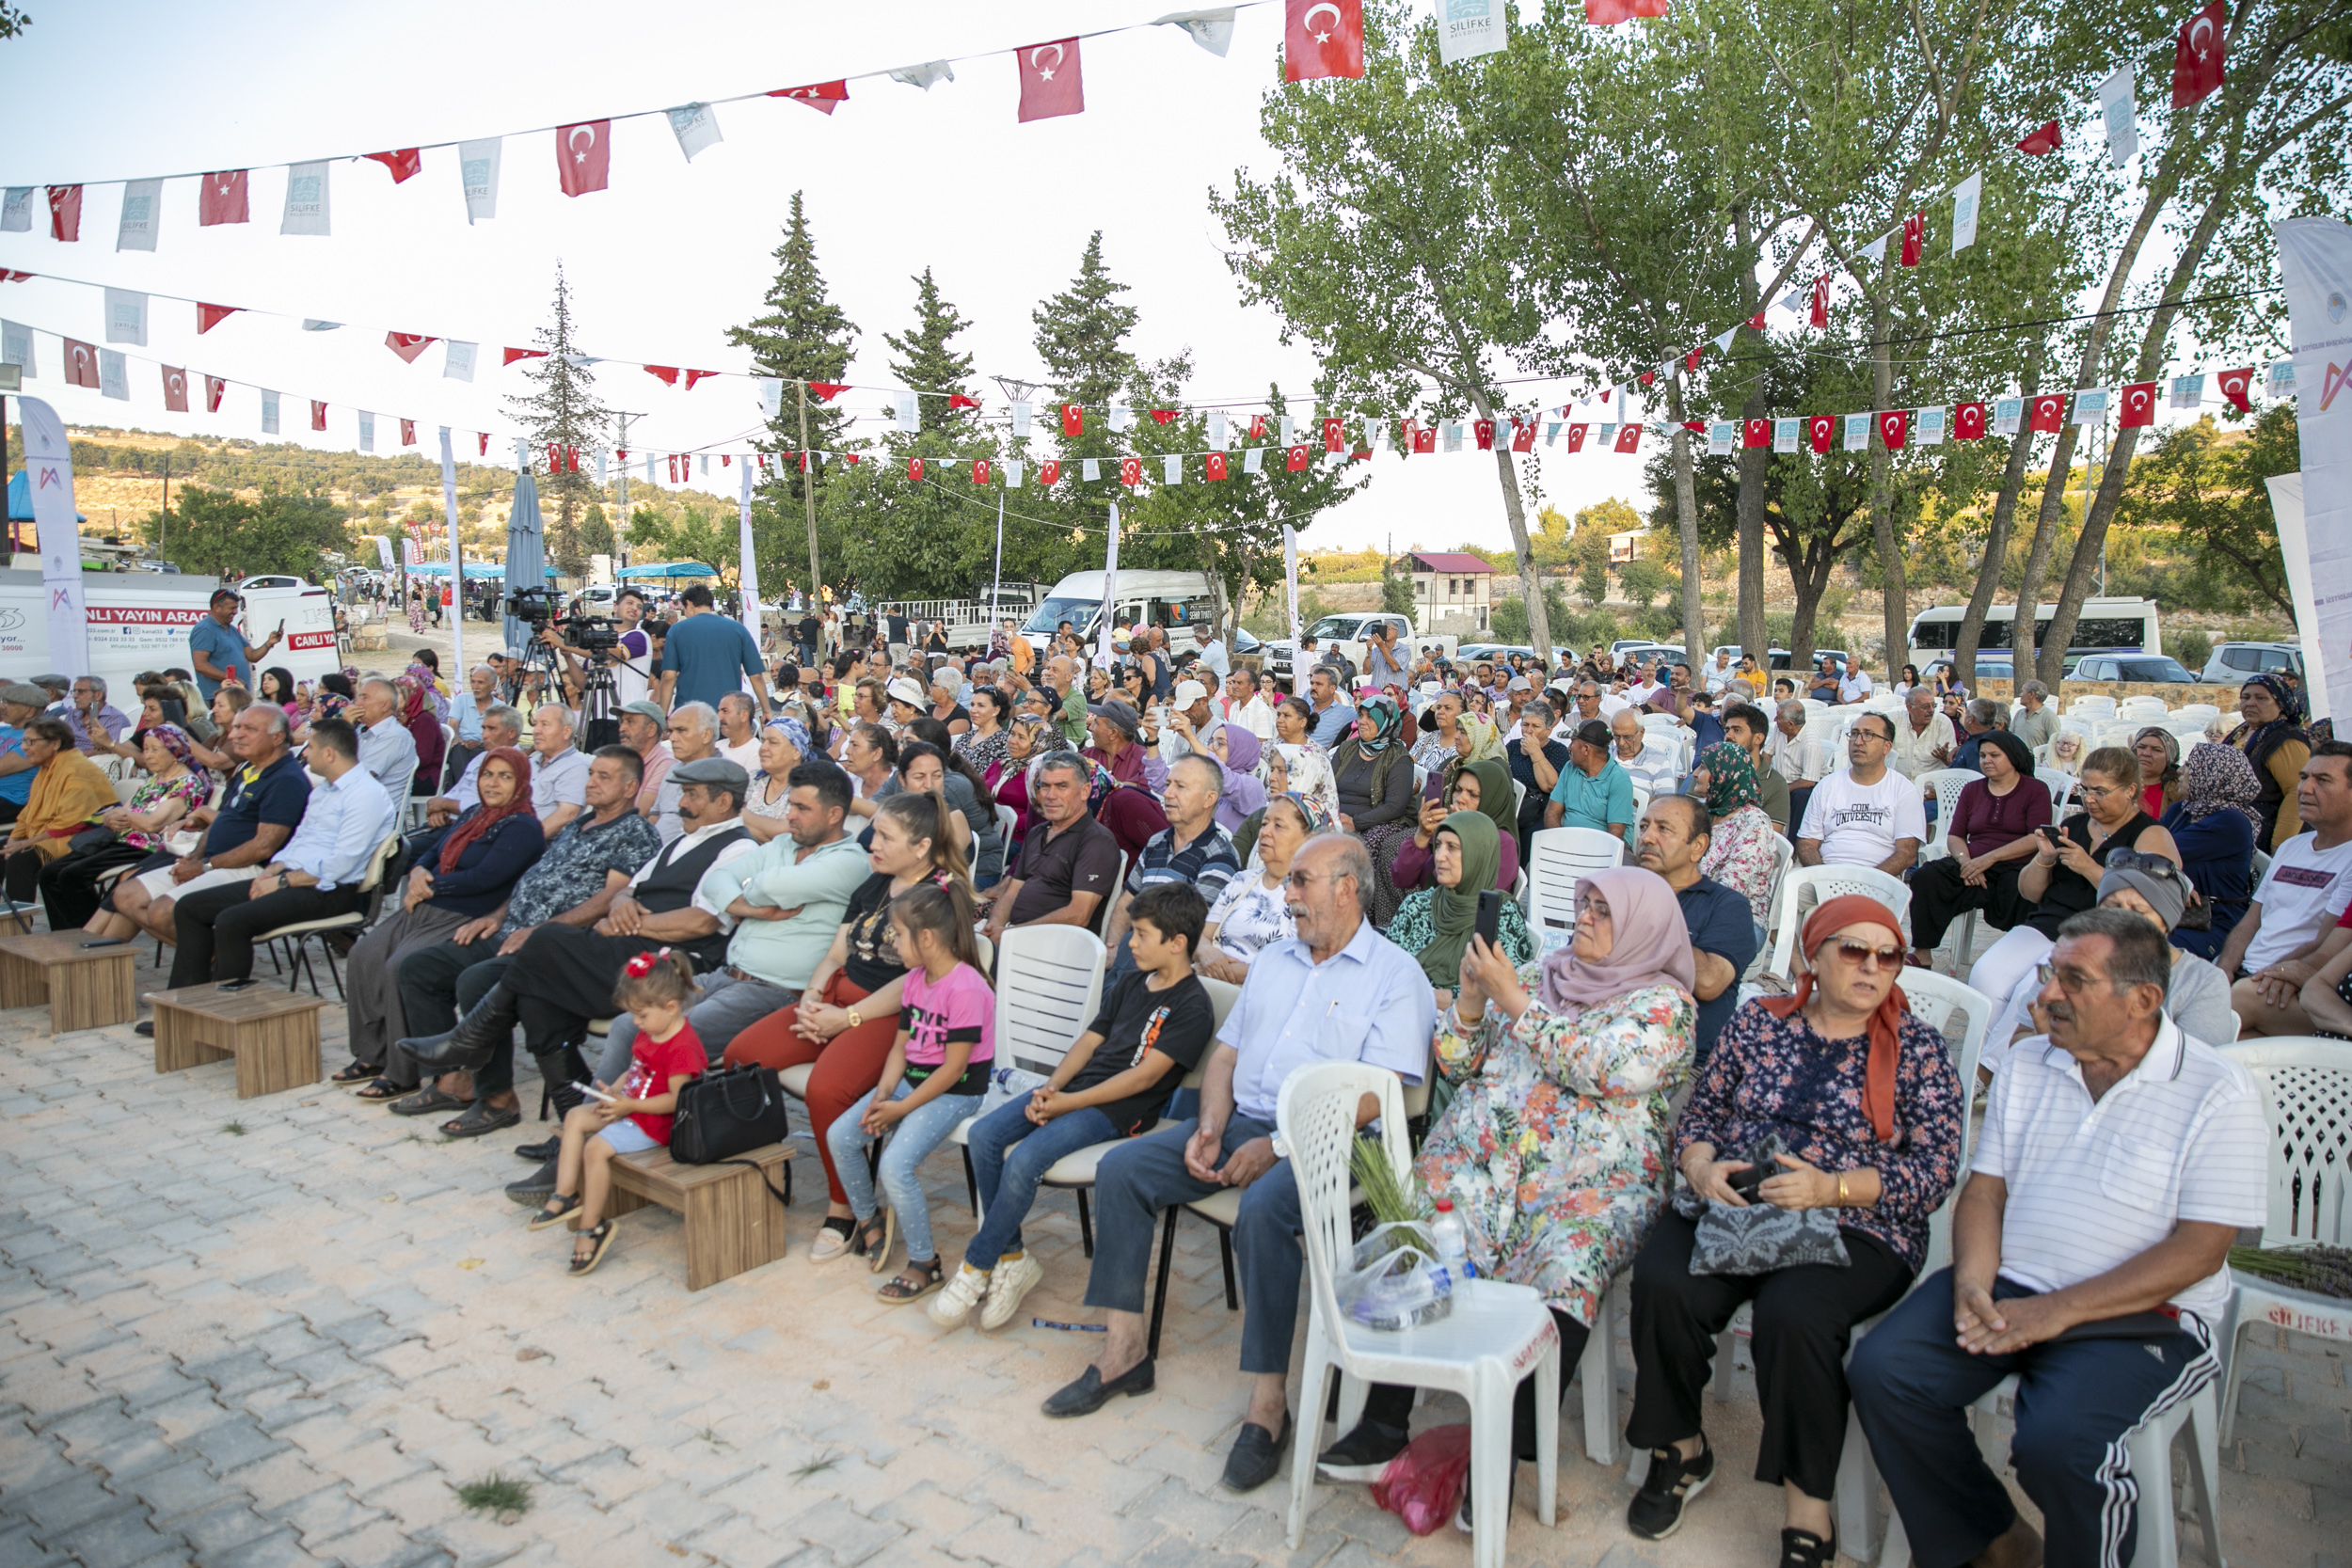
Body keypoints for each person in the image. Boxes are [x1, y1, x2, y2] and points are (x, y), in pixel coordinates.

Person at [1848, 909, 2265, 1568]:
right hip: (2014, 1284)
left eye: (2074, 980)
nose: (2045, 995)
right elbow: (1985, 1190)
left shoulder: (2217, 1089)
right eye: (2049, 974)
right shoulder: (2031, 1061)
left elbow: (2200, 1250)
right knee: (1886, 1370)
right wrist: (1973, 1283)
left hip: (2148, 1316)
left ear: (2143, 1000)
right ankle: (1998, 1541)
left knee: (2062, 1442)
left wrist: (2056, 1311)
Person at [1040, 834, 1436, 1498]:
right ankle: (1125, 1353)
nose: (1289, 894)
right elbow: (1224, 1055)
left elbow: (1383, 1091)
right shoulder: (1278, 960)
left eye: (1303, 881)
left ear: (1346, 887)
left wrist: (1280, 1144)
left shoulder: (1397, 975)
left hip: (1333, 1142)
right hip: (1243, 1121)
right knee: (1124, 1168)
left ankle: (1267, 1405)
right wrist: (1212, 1125)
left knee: (1263, 1210)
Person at [1317, 865, 1696, 1506]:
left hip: (1587, 1184)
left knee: (1566, 1268)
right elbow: (1458, 1062)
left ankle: (1504, 1453)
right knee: (1420, 1235)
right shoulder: (1545, 974)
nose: (1583, 916)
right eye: (1584, 903)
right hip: (1483, 1163)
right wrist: (1470, 1000)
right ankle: (1383, 1422)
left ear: (1641, 927)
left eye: (1603, 910)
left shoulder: (1664, 1007)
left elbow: (1600, 1066)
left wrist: (1513, 1000)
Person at [1627, 896, 1964, 1560]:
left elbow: (1932, 1173)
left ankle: (1809, 1510)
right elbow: (1703, 1112)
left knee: (1796, 1313)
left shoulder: (1917, 1048)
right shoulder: (1759, 1022)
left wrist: (1829, 1188)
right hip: (1742, 1200)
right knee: (1664, 1277)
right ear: (1814, 954)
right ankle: (1683, 1449)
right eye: (1854, 950)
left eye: (1887, 953)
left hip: (1859, 1222)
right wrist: (1700, 1168)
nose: (1873, 966)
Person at [396, 758, 759, 1117]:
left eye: (691, 795)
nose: (681, 803)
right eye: (683, 793)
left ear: (723, 801)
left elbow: (703, 922)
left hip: (671, 967)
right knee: (536, 999)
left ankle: (467, 1042)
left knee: (549, 938)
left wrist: (628, 924)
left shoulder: (739, 849)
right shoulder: (681, 841)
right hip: (628, 949)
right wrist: (621, 905)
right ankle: (573, 1117)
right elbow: (626, 890)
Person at [934, 882, 1217, 1331]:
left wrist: (1067, 1103)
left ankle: (975, 1267)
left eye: (1142, 934)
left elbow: (1143, 1079)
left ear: (1178, 943)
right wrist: (1052, 1089)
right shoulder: (1130, 981)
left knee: (1025, 1159)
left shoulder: (1192, 1006)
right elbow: (1090, 1040)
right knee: (984, 1136)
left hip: (1118, 1112)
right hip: (1076, 1091)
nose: (1131, 942)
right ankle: (1012, 1257)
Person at [719, 790, 969, 1255]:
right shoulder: (876, 882)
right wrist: (813, 1000)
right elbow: (838, 953)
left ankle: (846, 1206)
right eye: (875, 833)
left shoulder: (942, 894)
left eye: (884, 837)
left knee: (826, 1089)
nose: (871, 844)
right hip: (837, 997)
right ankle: (765, 1168)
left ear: (920, 847)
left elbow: (921, 980)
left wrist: (846, 1018)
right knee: (742, 1055)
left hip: (895, 1016)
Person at [381, 748, 664, 1157]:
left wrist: (540, 931)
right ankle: (450, 1082)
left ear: (630, 787)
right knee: (418, 968)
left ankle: (497, 1098)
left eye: (604, 776)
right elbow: (535, 879)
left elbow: (608, 898)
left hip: (554, 948)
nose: (591, 782)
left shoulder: (635, 832)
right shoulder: (578, 825)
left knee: (475, 981)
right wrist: (497, 917)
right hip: (512, 931)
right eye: (592, 774)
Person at [344, 750, 549, 1111]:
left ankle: (403, 1070)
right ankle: (373, 1052)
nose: (493, 783)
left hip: (463, 914)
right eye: (488, 774)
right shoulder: (474, 814)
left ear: (521, 784)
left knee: (399, 966)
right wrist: (419, 873)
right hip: (424, 906)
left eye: (505, 776)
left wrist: (432, 886)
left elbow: (486, 877)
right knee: (365, 954)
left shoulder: (523, 826)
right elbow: (431, 852)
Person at [826, 879, 995, 1304]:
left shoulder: (966, 987)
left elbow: (955, 1068)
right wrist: (884, 1093)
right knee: (841, 1136)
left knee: (896, 1166)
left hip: (955, 1091)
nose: (893, 945)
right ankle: (869, 1222)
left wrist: (899, 1111)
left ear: (927, 938)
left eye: (898, 935)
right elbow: (901, 1046)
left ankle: (925, 1263)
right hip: (913, 1081)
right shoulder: (916, 979)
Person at [1967, 746, 2183, 1051]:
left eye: (2101, 791)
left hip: (2105, 934)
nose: (2089, 799)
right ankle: (1986, 1063)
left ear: (2130, 790)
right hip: (2048, 923)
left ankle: (1993, 1072)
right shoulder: (2076, 826)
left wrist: (2088, 866)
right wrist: (2043, 859)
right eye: (2085, 789)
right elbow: (2030, 892)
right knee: (1986, 976)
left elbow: (2151, 903)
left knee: (2031, 989)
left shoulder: (2150, 835)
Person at [163, 718, 397, 990]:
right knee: (190, 907)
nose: (304, 753)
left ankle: (225, 1009)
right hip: (296, 879)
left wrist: (282, 882)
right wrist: (272, 871)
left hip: (334, 891)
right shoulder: (325, 790)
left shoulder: (365, 795)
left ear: (329, 753)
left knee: (233, 920)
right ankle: (185, 1001)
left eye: (310, 747)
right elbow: (301, 840)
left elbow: (340, 864)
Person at [527, 949, 710, 1277]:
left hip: (657, 1122)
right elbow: (637, 1069)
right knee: (575, 1118)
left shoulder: (681, 1046)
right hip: (634, 1108)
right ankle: (566, 1193)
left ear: (670, 1007)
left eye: (640, 1015)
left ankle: (592, 1227)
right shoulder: (652, 1029)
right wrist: (614, 1089)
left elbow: (676, 1100)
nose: (635, 1023)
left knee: (595, 1148)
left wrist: (629, 1106)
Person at [95, 705, 309, 947]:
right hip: (211, 858)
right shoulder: (248, 769)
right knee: (126, 895)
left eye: (248, 729)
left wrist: (204, 865)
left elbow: (262, 848)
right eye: (237, 727)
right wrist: (195, 857)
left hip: (250, 868)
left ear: (277, 737)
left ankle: (208, 957)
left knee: (161, 911)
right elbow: (223, 822)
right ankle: (205, 952)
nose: (234, 735)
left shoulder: (286, 781)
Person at [2217, 741, 2352, 1035]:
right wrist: (2225, 968)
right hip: (2255, 979)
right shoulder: (2292, 847)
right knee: (2236, 1040)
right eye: (2304, 777)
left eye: (2323, 780)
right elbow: (2252, 920)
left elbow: (2327, 942)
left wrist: (2271, 973)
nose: (2304, 789)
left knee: (2220, 1017)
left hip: (2291, 982)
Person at [38, 723, 210, 930]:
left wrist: (120, 816)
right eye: (146, 749)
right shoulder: (155, 778)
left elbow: (152, 824)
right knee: (49, 872)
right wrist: (112, 818)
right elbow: (124, 810)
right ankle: (64, 932)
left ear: (175, 752)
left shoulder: (186, 783)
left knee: (72, 875)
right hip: (121, 839)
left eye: (155, 750)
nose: (148, 755)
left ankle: (86, 933)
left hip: (146, 848)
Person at [1904, 732, 2050, 970]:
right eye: (1982, 756)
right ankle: (1922, 954)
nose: (1986, 761)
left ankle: (2020, 957)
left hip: (2015, 865)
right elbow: (1955, 835)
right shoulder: (1972, 789)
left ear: (2012, 757)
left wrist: (1988, 860)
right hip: (1971, 863)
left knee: (2026, 889)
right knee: (1926, 876)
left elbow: (2036, 838)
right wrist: (1966, 862)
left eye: (1994, 755)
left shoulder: (2035, 789)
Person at [1641, 796, 1762, 1061]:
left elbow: (1709, 981)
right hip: (1601, 1042)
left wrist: (1647, 912)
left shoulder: (1727, 906)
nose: (1647, 838)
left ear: (1697, 847)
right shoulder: (1622, 891)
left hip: (1680, 1063)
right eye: (1643, 827)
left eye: (1663, 829)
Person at [1386, 806, 1535, 1011]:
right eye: (1438, 845)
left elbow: (1511, 993)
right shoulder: (1417, 906)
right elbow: (1383, 971)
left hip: (1467, 1029)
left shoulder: (1501, 915)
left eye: (1452, 848)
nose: (1439, 856)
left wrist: (1441, 998)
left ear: (1478, 854)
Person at [981, 753, 1121, 943]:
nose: (1050, 795)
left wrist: (1010, 935)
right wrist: (993, 930)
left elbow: (1079, 915)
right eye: (1044, 786)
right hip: (1015, 937)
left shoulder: (1096, 841)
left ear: (1085, 791)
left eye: (1061, 786)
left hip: (1055, 949)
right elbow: (1012, 892)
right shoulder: (1038, 833)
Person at [0, 718, 121, 908]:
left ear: (55, 743)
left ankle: (19, 926)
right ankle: (6, 920)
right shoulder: (47, 768)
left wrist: (23, 843)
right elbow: (29, 812)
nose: (23, 747)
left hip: (85, 836)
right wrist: (14, 839)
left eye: (30, 741)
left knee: (22, 857)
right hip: (57, 833)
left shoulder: (75, 769)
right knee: (4, 847)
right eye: (24, 741)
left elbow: (71, 824)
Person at [2161, 741, 2263, 961]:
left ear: (2212, 775)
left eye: (2189, 766)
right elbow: (2144, 844)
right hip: (2169, 912)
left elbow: (2156, 850)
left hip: (2208, 923)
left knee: (2138, 950)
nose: (2180, 770)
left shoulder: (2232, 822)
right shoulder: (2181, 810)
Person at [1200, 792, 1313, 983]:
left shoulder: (1309, 898)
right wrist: (1205, 955)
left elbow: (1294, 968)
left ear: (1307, 840)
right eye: (1264, 824)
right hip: (1207, 978)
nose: (1265, 832)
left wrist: (1225, 973)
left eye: (1278, 825)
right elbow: (1202, 936)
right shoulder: (1241, 881)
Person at [1794, 713, 1923, 874]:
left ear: (1886, 747)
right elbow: (1807, 843)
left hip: (1879, 879)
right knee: (1787, 892)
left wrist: (1866, 881)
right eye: (1854, 734)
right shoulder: (1827, 785)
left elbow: (1907, 853)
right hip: (1826, 874)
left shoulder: (1903, 789)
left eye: (1868, 734)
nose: (1858, 741)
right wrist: (1823, 878)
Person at [1328, 695, 1418, 924]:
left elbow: (1394, 807)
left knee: (1367, 844)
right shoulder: (1347, 748)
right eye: (1361, 715)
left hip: (1380, 821)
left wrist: (1356, 822)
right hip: (1338, 817)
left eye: (1371, 717)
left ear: (1386, 721)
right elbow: (1326, 786)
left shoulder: (1398, 757)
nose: (1363, 721)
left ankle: (1359, 918)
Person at [1392, 757, 1519, 895]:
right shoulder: (1448, 828)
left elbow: (1473, 898)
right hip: (1431, 907)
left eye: (1473, 795)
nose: (1460, 799)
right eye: (1458, 790)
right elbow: (1402, 879)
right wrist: (1422, 835)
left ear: (1493, 801)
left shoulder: (1502, 843)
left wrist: (1462, 839)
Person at [1688, 742, 1780, 927]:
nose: (1695, 773)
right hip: (1689, 906)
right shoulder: (1701, 811)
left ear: (1724, 775)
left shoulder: (1754, 822)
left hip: (1737, 919)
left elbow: (1731, 887)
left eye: (1704, 767)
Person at [658, 584, 773, 716]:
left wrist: (662, 716)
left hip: (689, 714)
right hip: (727, 715)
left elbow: (668, 677)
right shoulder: (737, 629)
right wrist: (766, 711)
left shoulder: (677, 631)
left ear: (689, 604)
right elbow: (756, 676)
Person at [2227, 673, 2310, 849]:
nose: (2250, 703)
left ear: (2280, 703)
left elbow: (2297, 791)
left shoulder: (2286, 739)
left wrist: (2279, 846)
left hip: (2261, 836)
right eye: (2246, 697)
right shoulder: (2239, 733)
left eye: (2261, 698)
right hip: (2233, 829)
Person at [424, 705, 527, 827]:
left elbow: (487, 806)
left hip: (473, 828)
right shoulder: (481, 757)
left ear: (511, 733)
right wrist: (439, 808)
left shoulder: (516, 765)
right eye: (483, 728)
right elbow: (457, 790)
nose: (483, 735)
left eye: (491, 729)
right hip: (446, 822)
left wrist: (444, 804)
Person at [1546, 719, 1636, 841]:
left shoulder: (1619, 779)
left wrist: (1587, 855)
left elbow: (1616, 834)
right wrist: (1559, 841)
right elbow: (1551, 812)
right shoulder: (1569, 767)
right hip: (1567, 842)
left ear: (1586, 749)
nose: (1569, 748)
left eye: (1572, 743)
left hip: (1606, 849)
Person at [188, 588, 284, 702]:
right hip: (217, 699)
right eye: (232, 608)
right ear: (217, 608)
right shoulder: (205, 629)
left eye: (236, 608)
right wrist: (232, 678)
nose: (235, 612)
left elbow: (252, 656)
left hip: (237, 697)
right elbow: (200, 665)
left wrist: (269, 643)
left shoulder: (231, 629)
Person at [650, 703, 723, 841]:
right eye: (671, 731)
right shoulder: (673, 768)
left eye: (681, 731)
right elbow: (655, 816)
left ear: (706, 735)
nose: (672, 738)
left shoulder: (723, 774)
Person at [1505, 699, 1567, 857]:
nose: (1529, 731)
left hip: (1539, 811)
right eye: (1525, 725)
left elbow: (1550, 785)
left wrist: (1535, 752)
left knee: (1531, 837)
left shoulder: (1557, 751)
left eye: (1536, 726)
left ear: (1548, 729)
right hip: (1512, 807)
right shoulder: (1512, 746)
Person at [1719, 702, 1789, 834]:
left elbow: (1771, 837)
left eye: (1737, 730)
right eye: (1727, 730)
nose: (1728, 736)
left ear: (1758, 738)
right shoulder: (1709, 771)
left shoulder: (1775, 783)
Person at [740, 717, 809, 845]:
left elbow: (785, 833)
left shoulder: (807, 789)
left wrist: (733, 813)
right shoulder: (752, 779)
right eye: (763, 741)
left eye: (773, 742)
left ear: (796, 751)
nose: (763, 748)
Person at [523, 703, 590, 835]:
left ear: (566, 732)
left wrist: (526, 842)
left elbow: (567, 815)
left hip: (540, 844)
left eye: (544, 724)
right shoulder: (530, 763)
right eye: (535, 724)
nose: (536, 731)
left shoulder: (576, 766)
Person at [351, 678, 421, 805]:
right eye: (359, 697)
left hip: (373, 812)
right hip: (356, 803)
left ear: (385, 705)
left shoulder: (393, 736)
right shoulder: (362, 729)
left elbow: (357, 778)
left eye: (364, 698)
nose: (357, 703)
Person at [1772, 700, 1833, 832]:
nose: (1775, 719)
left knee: (1799, 796)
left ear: (1790, 724)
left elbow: (1809, 781)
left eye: (1778, 717)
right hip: (1785, 782)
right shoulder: (1780, 729)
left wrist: (1783, 790)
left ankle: (1793, 841)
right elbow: (1767, 753)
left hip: (1808, 786)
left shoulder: (1810, 742)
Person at [1610, 709, 1681, 800]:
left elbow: (1666, 802)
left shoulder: (1658, 761)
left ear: (1641, 733)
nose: (1621, 743)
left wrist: (1633, 799)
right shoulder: (1604, 755)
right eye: (1616, 736)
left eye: (1628, 737)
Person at [1888, 686, 1955, 783]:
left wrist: (1945, 758)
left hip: (1930, 789)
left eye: (1933, 705)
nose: (1931, 710)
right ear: (1909, 708)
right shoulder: (1894, 720)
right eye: (1926, 707)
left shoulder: (1942, 723)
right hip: (1898, 786)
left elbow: (1953, 766)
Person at [62, 676, 130, 755]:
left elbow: (111, 750)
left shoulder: (115, 718)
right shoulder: (72, 714)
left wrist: (73, 756)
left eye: (80, 692)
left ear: (98, 695)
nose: (74, 696)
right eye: (74, 691)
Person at [1303, 665, 1357, 751]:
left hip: (1323, 759)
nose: (1313, 687)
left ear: (1332, 689)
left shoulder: (1346, 713)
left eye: (1319, 684)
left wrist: (1336, 745)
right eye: (1312, 683)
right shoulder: (1303, 708)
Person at [2007, 680, 2058, 754]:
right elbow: (2010, 736)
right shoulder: (2019, 713)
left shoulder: (2049, 716)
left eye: (2022, 691)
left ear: (2031, 694)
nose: (2020, 695)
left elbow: (2055, 743)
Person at [716, 692, 762, 772]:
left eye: (725, 711)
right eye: (719, 711)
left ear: (744, 716)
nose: (719, 717)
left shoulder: (757, 753)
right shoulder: (716, 747)